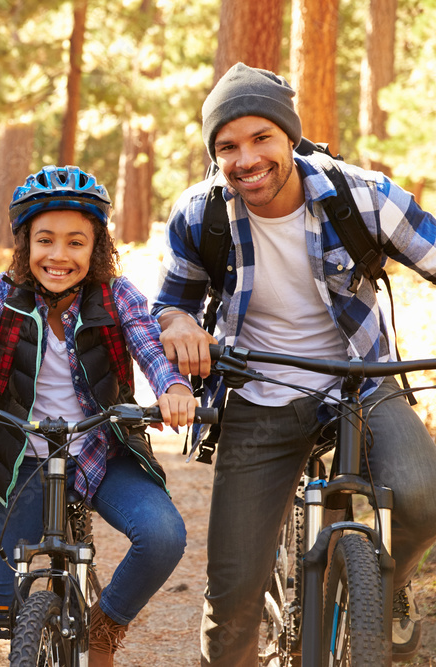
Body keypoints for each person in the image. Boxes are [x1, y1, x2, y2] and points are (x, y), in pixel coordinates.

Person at [153, 62, 436, 665]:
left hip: (360, 380)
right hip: (259, 391)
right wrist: (178, 325)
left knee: (424, 499)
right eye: (227, 146)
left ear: (290, 137)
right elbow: (170, 305)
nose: (246, 159)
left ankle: (381, 591)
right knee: (233, 599)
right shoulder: (200, 215)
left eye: (261, 138)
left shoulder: (362, 194)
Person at [0, 165, 196, 667]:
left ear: (97, 248)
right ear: (24, 244)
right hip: (25, 460)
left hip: (103, 450)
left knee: (163, 536)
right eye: (45, 240)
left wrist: (173, 387)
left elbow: (150, 348)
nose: (59, 256)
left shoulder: (116, 294)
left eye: (76, 242)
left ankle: (104, 627)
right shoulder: (3, 295)